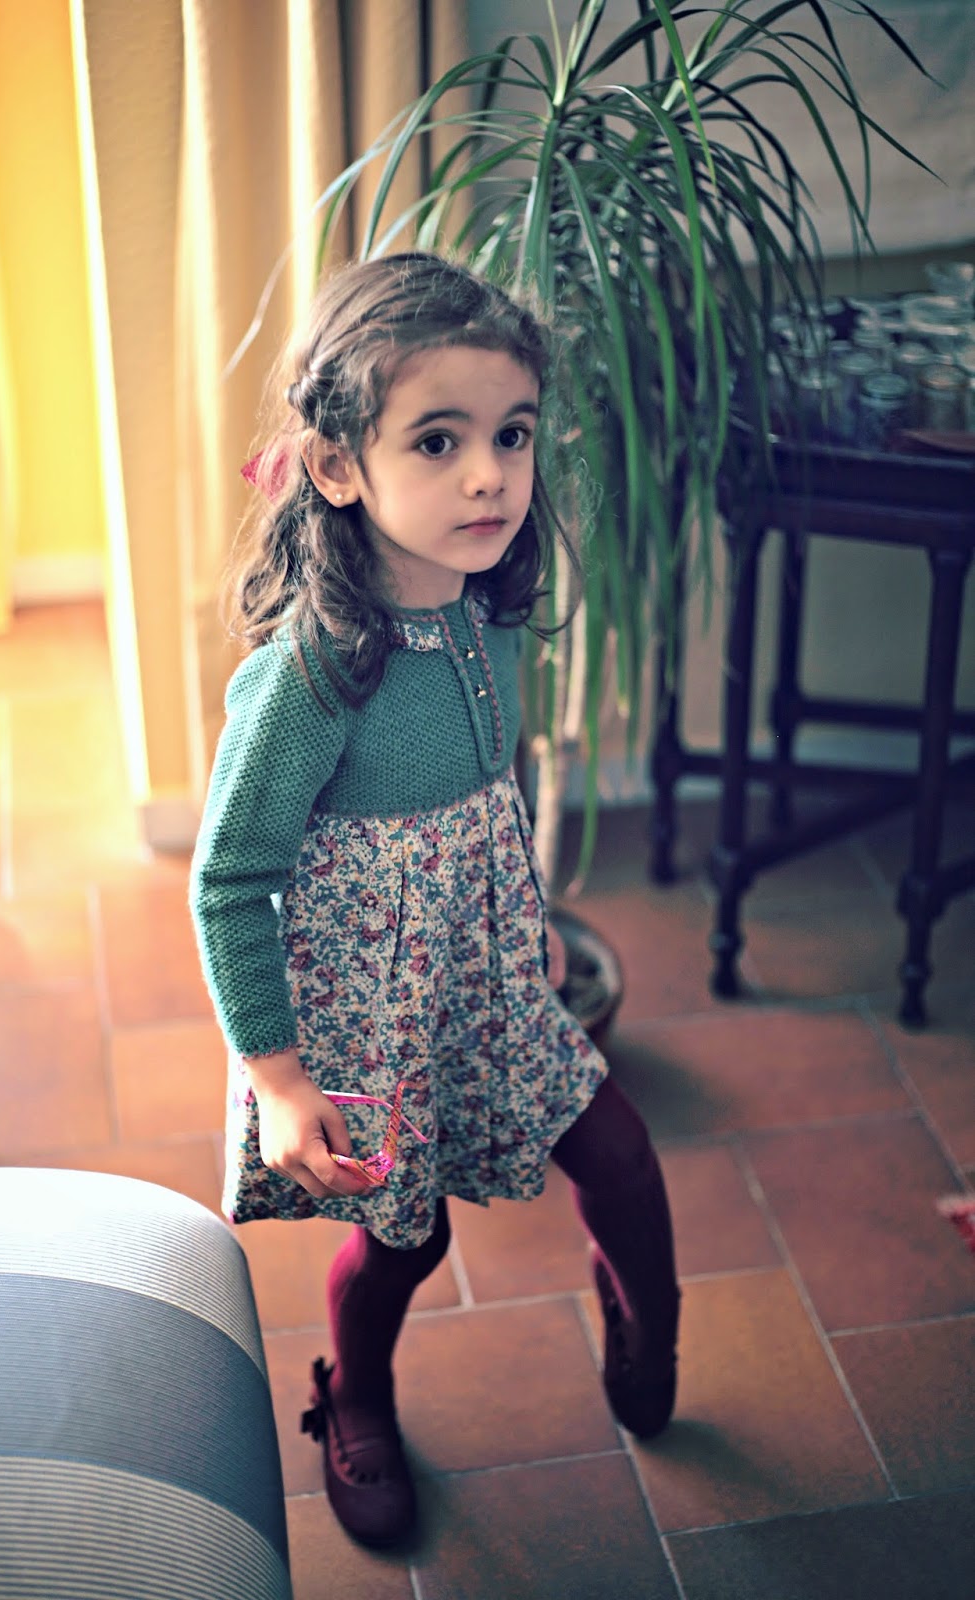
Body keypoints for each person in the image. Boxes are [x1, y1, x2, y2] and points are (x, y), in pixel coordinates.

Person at [189, 252, 680, 1549]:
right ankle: (355, 1394)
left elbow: (487, 790)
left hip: (490, 979)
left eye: (511, 435)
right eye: (438, 440)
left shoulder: (491, 609)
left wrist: (510, 917)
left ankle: (649, 1325)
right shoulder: (310, 675)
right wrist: (278, 1079)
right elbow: (230, 880)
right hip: (370, 1018)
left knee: (621, 1156)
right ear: (337, 466)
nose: (489, 477)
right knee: (405, 1245)